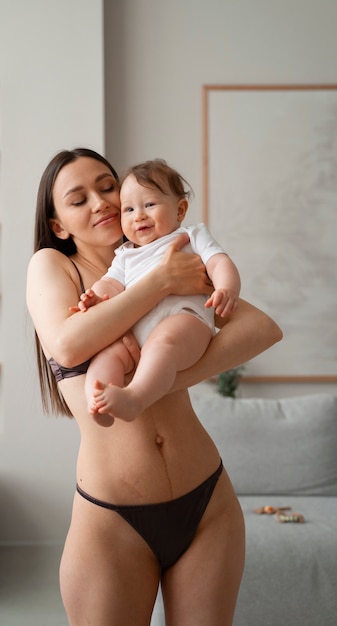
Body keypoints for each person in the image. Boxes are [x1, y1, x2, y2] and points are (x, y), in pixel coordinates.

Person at [26, 147, 282, 626]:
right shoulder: (55, 265)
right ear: (59, 224)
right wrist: (161, 283)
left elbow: (261, 329)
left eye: (106, 186)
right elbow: (66, 345)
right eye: (78, 199)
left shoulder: (175, 254)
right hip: (113, 517)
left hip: (207, 501)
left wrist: (151, 385)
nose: (101, 202)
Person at [75, 158, 241, 424]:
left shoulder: (191, 236)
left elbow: (219, 261)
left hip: (185, 323)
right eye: (128, 209)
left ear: (180, 210)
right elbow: (111, 284)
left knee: (164, 344)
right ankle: (98, 400)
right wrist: (94, 296)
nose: (138, 215)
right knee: (106, 357)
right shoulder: (125, 255)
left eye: (149, 204)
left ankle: (135, 398)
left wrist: (226, 288)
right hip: (136, 336)